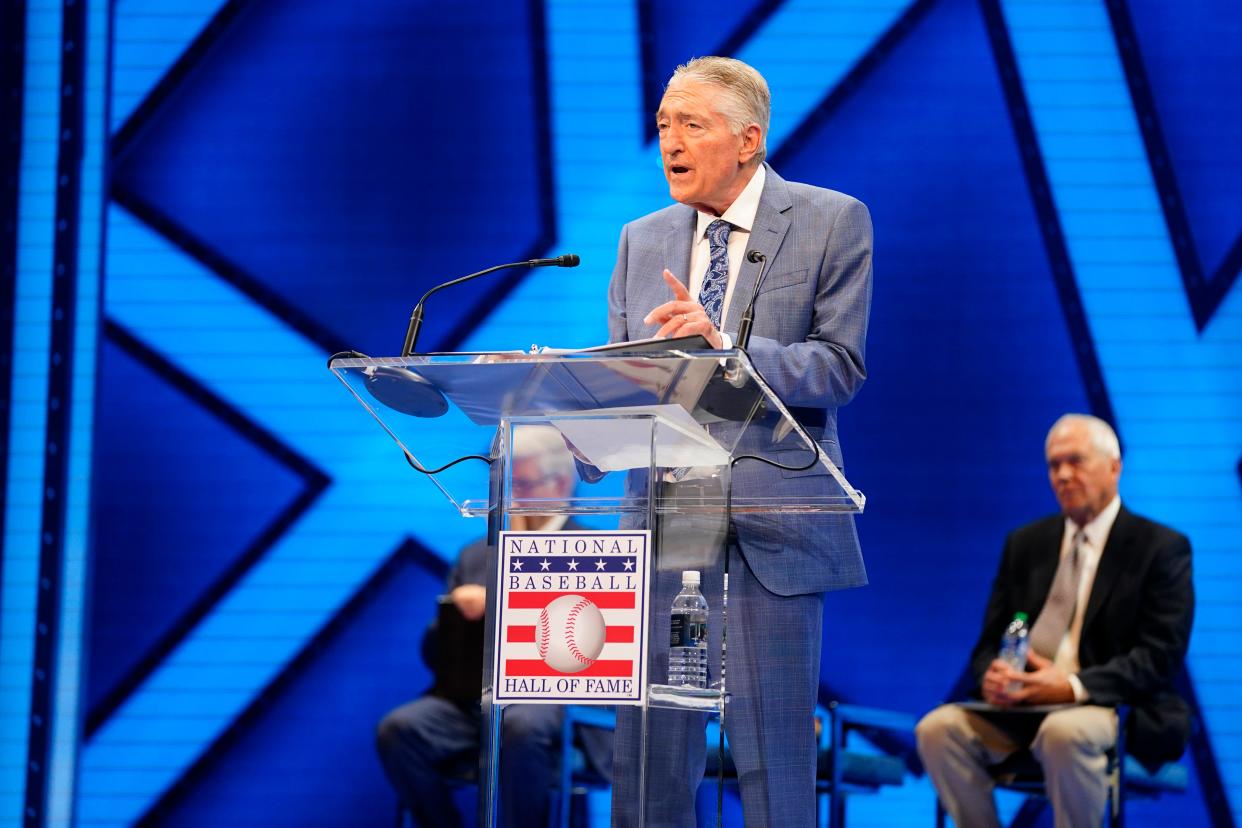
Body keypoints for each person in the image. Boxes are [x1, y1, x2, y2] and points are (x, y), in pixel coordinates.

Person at [606, 56, 873, 827]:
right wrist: (576, 391)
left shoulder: (832, 219)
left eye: (691, 124)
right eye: (663, 124)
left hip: (775, 524)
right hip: (665, 526)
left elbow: (840, 367)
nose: (670, 141)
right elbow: (632, 374)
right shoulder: (640, 239)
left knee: (772, 762)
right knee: (649, 759)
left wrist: (727, 348)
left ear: (748, 139)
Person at [916, 414, 1194, 827]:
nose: (1063, 475)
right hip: (1021, 706)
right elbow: (988, 642)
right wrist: (992, 674)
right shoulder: (1026, 544)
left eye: (1076, 461)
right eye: (1054, 464)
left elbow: (1159, 657)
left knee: (1064, 733)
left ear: (1114, 467)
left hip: (1107, 706)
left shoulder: (1161, 548)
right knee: (937, 730)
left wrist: (1069, 686)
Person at [375, 426, 611, 828]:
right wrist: (452, 620)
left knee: (519, 723)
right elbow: (438, 659)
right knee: (400, 729)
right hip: (474, 703)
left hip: (555, 705)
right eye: (501, 483)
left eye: (519, 483)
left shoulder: (595, 553)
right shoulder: (474, 555)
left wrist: (500, 599)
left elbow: (597, 654)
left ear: (561, 482)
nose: (508, 496)